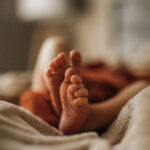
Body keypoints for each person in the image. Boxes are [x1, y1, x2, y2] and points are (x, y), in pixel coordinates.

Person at [20, 37, 149, 135]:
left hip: (88, 103)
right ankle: (60, 96)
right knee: (55, 44)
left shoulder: (135, 77)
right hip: (70, 91)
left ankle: (89, 116)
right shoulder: (107, 66)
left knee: (143, 87)